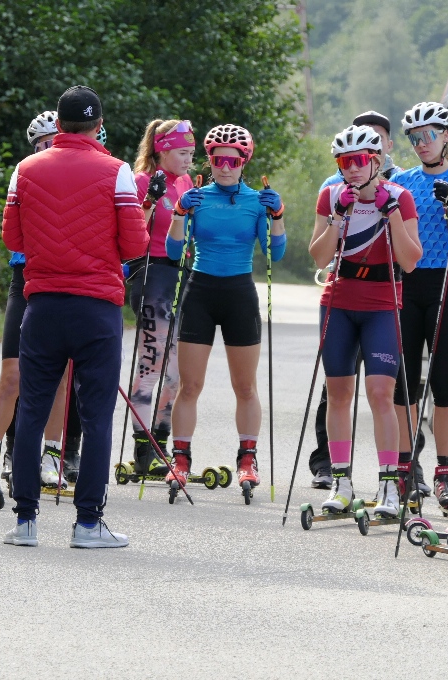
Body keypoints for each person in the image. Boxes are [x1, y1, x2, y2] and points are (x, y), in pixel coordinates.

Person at [1, 85, 148, 547]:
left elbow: (13, 239)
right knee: (97, 415)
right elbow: (135, 246)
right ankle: (88, 524)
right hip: (97, 308)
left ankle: (25, 521)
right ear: (98, 125)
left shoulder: (25, 168)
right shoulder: (118, 171)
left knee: (31, 411)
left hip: (42, 304)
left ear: (58, 125)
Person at [307, 125, 422, 518]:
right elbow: (320, 257)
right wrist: (338, 216)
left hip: (382, 304)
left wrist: (389, 213)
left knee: (379, 394)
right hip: (338, 301)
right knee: (338, 394)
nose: (351, 170)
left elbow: (409, 260)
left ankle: (390, 485)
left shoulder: (400, 197)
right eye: (343, 162)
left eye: (358, 161)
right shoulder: (331, 195)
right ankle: (341, 481)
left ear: (376, 161)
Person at [165, 124, 286, 493]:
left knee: (245, 386)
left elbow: (275, 254)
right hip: (200, 291)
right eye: (218, 159)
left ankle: (247, 459)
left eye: (233, 160)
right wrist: (179, 214)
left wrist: (278, 216)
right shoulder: (197, 197)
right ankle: (181, 460)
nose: (225, 166)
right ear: (211, 160)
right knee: (189, 386)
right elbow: (173, 253)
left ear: (244, 162)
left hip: (239, 294)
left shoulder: (256, 201)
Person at [387, 101, 448, 513]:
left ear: (447, 136)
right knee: (403, 381)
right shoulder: (402, 181)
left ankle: (445, 474)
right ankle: (406, 468)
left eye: (430, 135)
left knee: (444, 384)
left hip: (447, 284)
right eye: (414, 137)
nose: (422, 143)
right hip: (407, 285)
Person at [0, 110, 75, 492]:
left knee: (60, 378)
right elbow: (13, 233)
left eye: (53, 141)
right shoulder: (25, 172)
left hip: (62, 278)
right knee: (13, 376)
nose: (47, 149)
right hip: (27, 277)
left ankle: (50, 460)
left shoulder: (82, 173)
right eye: (40, 144)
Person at [125, 118, 196, 475]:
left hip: (181, 274)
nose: (188, 160)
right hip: (151, 272)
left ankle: (161, 440)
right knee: (151, 362)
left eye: (191, 153)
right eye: (182, 153)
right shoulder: (141, 181)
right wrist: (150, 200)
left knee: (177, 370)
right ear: (162, 150)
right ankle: (142, 448)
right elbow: (130, 230)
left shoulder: (185, 182)